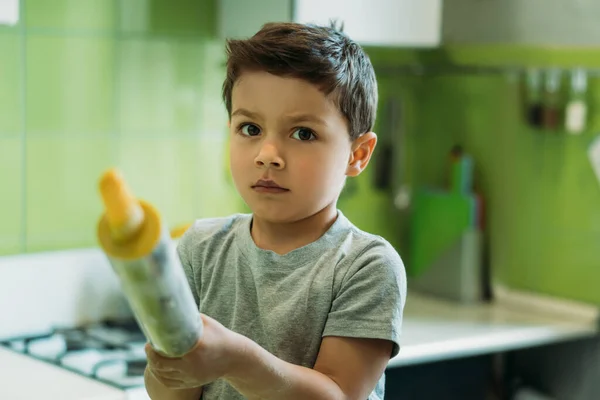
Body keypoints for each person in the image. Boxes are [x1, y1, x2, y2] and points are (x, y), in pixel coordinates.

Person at [144, 21, 407, 400]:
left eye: (303, 133)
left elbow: (338, 395)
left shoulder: (367, 266)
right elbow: (173, 394)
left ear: (358, 153)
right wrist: (170, 363)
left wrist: (235, 359)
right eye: (250, 128)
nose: (268, 155)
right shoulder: (199, 249)